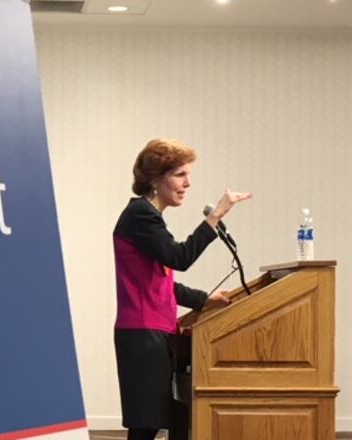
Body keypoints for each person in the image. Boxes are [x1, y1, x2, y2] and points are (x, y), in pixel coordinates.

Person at [113, 138, 251, 440]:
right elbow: (180, 258)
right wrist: (215, 217)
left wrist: (204, 299)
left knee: (150, 424)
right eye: (179, 175)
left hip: (153, 331)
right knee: (145, 425)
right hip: (142, 333)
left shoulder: (149, 218)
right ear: (155, 179)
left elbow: (160, 283)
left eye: (188, 175)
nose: (188, 183)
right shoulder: (141, 216)